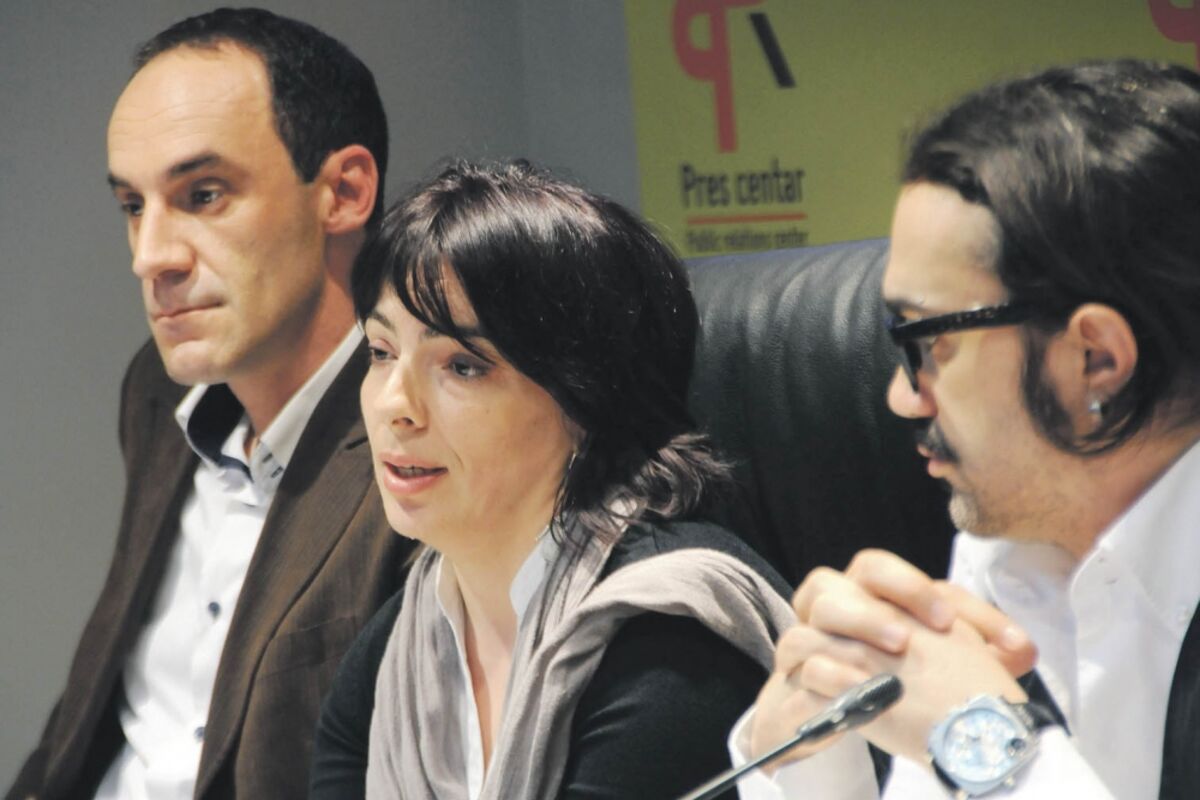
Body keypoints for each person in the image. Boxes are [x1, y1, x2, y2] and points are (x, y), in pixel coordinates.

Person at [735, 59, 1200, 799]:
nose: (901, 396)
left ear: (1095, 359)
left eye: (924, 341)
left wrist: (988, 747)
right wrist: (801, 756)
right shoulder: (1009, 542)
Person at [7, 9, 412, 800]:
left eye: (203, 194)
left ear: (344, 192)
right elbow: (101, 716)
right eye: (133, 205)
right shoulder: (157, 394)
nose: (150, 257)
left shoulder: (423, 432)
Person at [306, 160, 797, 799]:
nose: (394, 404)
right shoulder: (404, 642)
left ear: (584, 397)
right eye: (380, 352)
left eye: (461, 365)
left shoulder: (668, 647)